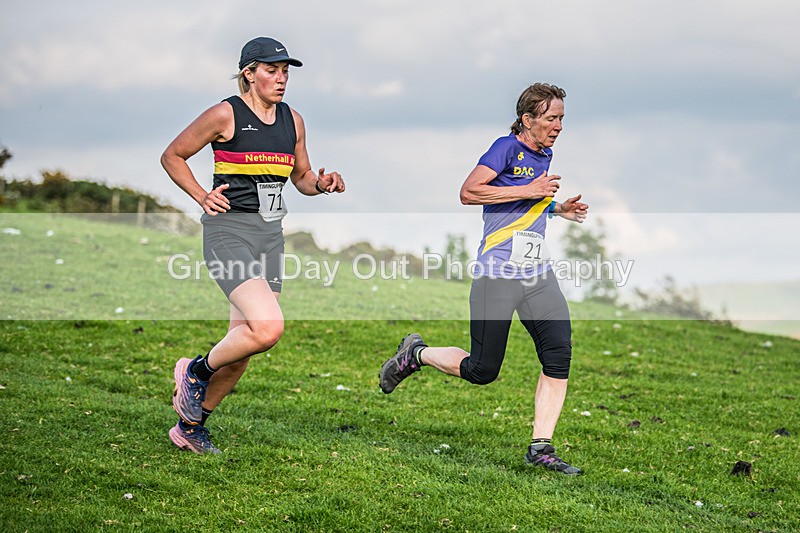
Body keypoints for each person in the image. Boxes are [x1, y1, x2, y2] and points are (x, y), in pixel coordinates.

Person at [379, 83, 588, 475]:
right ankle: (416, 354)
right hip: (498, 273)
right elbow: (470, 191)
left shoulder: (544, 152)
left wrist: (557, 208)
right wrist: (534, 189)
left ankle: (541, 447)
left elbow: (517, 202)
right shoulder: (504, 148)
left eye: (561, 118)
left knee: (559, 356)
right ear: (527, 119)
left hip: (536, 272)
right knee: (482, 370)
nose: (558, 126)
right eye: (551, 118)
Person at [161, 37, 345, 454]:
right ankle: (193, 370)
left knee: (242, 346)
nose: (281, 79)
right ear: (249, 73)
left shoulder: (293, 121)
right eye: (271, 71)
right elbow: (173, 155)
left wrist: (321, 183)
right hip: (228, 233)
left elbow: (300, 177)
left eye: (285, 72)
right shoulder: (225, 114)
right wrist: (200, 195)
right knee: (268, 328)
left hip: (270, 238)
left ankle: (190, 426)